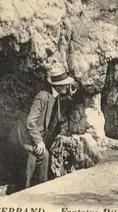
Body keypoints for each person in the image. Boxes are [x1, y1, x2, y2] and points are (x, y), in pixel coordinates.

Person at [7, 65, 76, 195]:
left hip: (37, 135)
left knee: (42, 156)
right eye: (65, 85)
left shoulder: (55, 96)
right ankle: (26, 192)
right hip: (26, 134)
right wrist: (39, 141)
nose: (67, 87)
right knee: (35, 157)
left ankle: (38, 189)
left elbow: (62, 104)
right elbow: (30, 122)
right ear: (58, 86)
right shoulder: (42, 97)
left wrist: (71, 92)